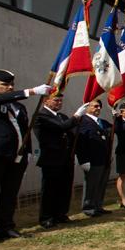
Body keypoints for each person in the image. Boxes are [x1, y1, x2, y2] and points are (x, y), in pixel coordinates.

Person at [0, 70, 50, 243]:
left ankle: (7, 226)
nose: (10, 87)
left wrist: (27, 152)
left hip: (16, 156)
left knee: (10, 192)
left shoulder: (19, 107)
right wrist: (30, 92)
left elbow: (24, 131)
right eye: (5, 85)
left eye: (12, 85)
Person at [34, 93, 86, 228]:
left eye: (61, 100)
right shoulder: (41, 116)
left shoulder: (61, 116)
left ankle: (60, 214)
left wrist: (78, 123)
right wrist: (76, 116)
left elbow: (70, 131)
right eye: (56, 100)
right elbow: (60, 127)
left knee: (65, 188)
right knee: (50, 189)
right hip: (52, 158)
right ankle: (46, 217)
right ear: (46, 101)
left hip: (65, 157)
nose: (59, 103)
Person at [76, 99, 113, 216]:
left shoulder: (101, 122)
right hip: (92, 159)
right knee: (91, 184)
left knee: (101, 184)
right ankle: (88, 207)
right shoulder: (83, 121)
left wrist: (116, 115)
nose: (98, 108)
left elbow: (115, 129)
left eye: (99, 106)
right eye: (95, 106)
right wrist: (83, 160)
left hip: (104, 158)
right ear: (87, 107)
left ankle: (98, 206)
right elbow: (81, 142)